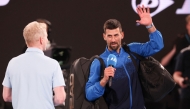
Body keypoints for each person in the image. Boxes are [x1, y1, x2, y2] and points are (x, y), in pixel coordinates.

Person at [85, 5, 164, 109]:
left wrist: (150, 26)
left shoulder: (132, 50)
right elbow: (89, 95)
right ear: (104, 36)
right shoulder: (99, 62)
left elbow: (158, 45)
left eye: (116, 35)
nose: (113, 40)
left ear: (122, 35)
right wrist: (103, 80)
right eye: (109, 36)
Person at [2, 21, 66, 109]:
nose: (47, 40)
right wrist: (44, 100)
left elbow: (6, 96)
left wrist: (23, 100)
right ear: (41, 39)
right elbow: (60, 99)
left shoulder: (12, 63)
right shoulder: (53, 64)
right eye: (46, 37)